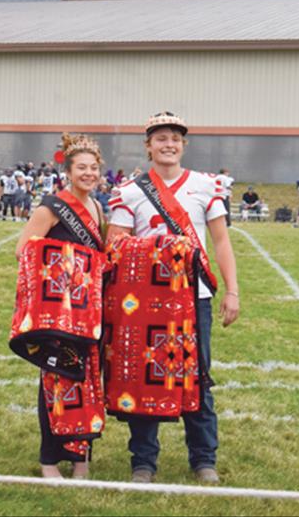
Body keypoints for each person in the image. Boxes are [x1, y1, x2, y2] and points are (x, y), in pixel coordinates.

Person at [107, 110, 239, 485]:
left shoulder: (205, 185)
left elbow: (221, 241)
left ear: (183, 144)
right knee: (143, 376)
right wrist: (158, 248)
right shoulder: (129, 192)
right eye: (161, 138)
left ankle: (204, 459)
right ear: (148, 146)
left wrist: (232, 291)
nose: (169, 145)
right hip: (145, 302)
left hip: (194, 298)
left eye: (175, 138)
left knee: (199, 377)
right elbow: (114, 246)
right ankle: (143, 462)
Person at [15, 133, 106, 480]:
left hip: (89, 312)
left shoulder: (98, 207)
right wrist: (69, 266)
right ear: (68, 171)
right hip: (60, 314)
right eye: (81, 167)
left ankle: (81, 457)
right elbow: (24, 251)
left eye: (94, 168)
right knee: (57, 380)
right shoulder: (50, 207)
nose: (88, 173)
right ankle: (49, 459)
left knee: (88, 381)